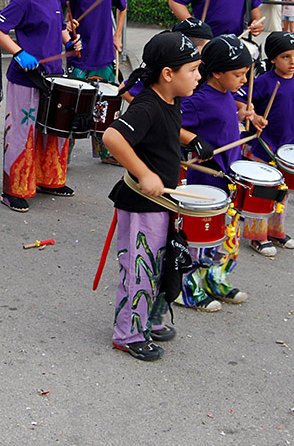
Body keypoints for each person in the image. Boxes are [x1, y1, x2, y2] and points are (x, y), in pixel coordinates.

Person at [101, 31, 210, 361]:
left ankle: (149, 319)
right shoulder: (147, 104)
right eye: (193, 70)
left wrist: (190, 140)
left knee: (162, 266)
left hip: (164, 203)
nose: (198, 76)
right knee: (139, 269)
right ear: (168, 74)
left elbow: (166, 127)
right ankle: (128, 334)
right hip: (142, 205)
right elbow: (112, 137)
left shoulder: (169, 100)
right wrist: (144, 173)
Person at [0, 0, 79, 212]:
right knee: (21, 133)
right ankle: (12, 190)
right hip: (26, 78)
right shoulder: (24, 1)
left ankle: (49, 179)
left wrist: (71, 41)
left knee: (52, 130)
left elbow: (60, 27)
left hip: (53, 75)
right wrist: (18, 52)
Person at [179, 34, 253, 311]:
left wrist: (244, 114)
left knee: (227, 235)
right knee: (201, 237)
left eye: (246, 74)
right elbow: (172, 123)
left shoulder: (226, 94)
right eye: (238, 74)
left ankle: (216, 278)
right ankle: (188, 287)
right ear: (217, 72)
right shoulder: (200, 100)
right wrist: (194, 141)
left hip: (229, 179)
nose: (244, 80)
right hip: (207, 179)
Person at [55, 0, 128, 162]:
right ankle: (63, 157)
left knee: (105, 107)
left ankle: (105, 152)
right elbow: (52, 3)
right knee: (74, 108)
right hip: (81, 58)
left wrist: (117, 36)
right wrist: (65, 25)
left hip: (105, 57)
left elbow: (122, 7)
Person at [247, 31, 294, 254]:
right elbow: (244, 101)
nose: (293, 61)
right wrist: (254, 117)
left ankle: (276, 231)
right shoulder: (264, 82)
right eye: (285, 56)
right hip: (266, 146)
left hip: (289, 148)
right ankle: (257, 236)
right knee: (263, 193)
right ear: (272, 58)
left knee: (283, 191)